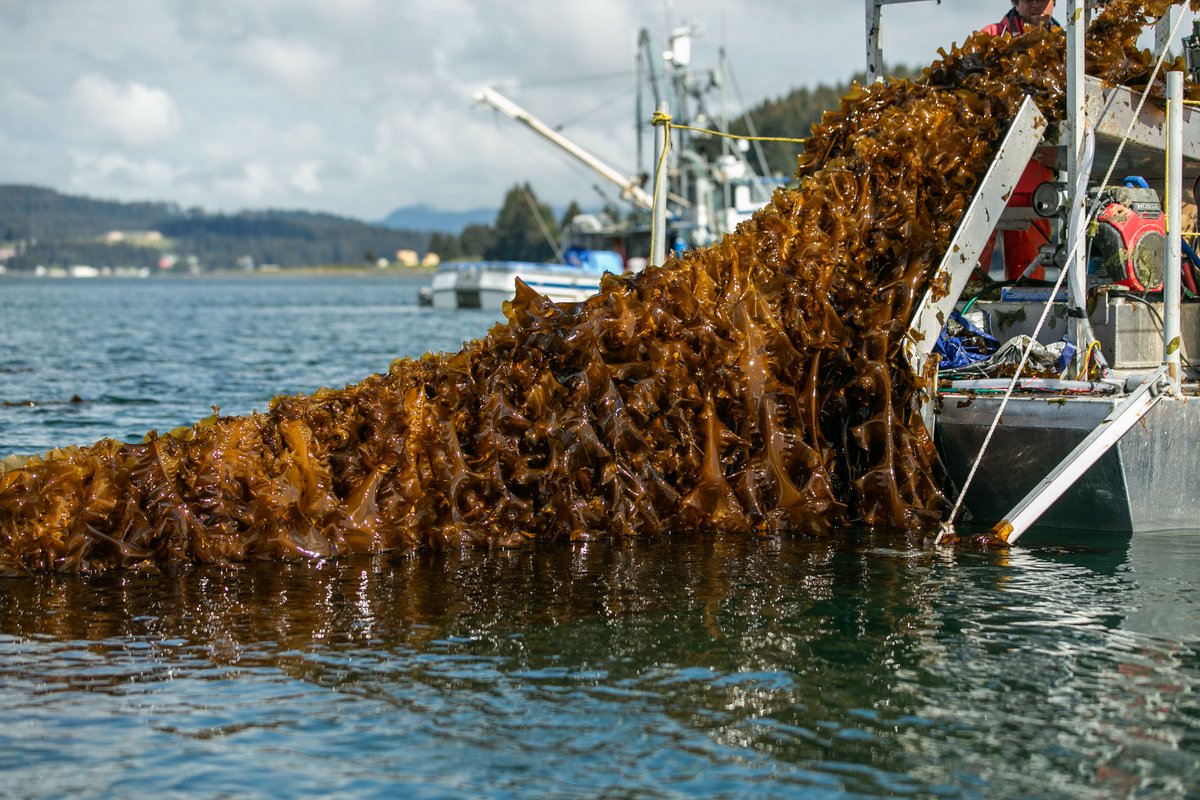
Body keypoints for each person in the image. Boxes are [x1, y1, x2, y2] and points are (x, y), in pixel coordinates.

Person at [978, 0, 1061, 280]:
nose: (1037, 5)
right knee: (969, 274)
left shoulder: (1066, 44)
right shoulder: (990, 38)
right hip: (989, 177)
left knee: (1028, 278)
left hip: (1037, 182)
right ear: (1014, 1)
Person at [982, 0, 1060, 37]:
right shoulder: (991, 34)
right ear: (1016, 4)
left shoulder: (1068, 42)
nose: (1036, 4)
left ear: (1053, 2)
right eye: (1028, 0)